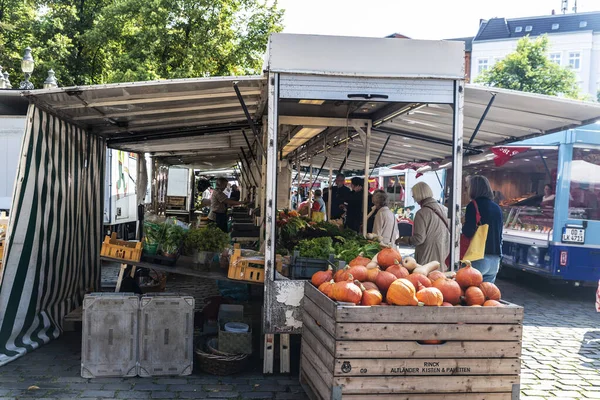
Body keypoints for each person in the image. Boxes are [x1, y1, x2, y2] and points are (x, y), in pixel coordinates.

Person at [397, 182, 449, 267]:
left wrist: (404, 239)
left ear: (418, 195)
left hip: (428, 260)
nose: (414, 199)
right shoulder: (445, 209)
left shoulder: (421, 213)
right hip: (445, 257)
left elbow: (419, 239)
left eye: (414, 196)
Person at [463, 175, 503, 283]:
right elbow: (500, 235)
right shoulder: (497, 208)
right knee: (487, 295)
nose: (466, 191)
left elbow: (468, 231)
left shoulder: (473, 205)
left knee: (471, 295)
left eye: (467, 188)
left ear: (474, 188)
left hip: (478, 257)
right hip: (495, 259)